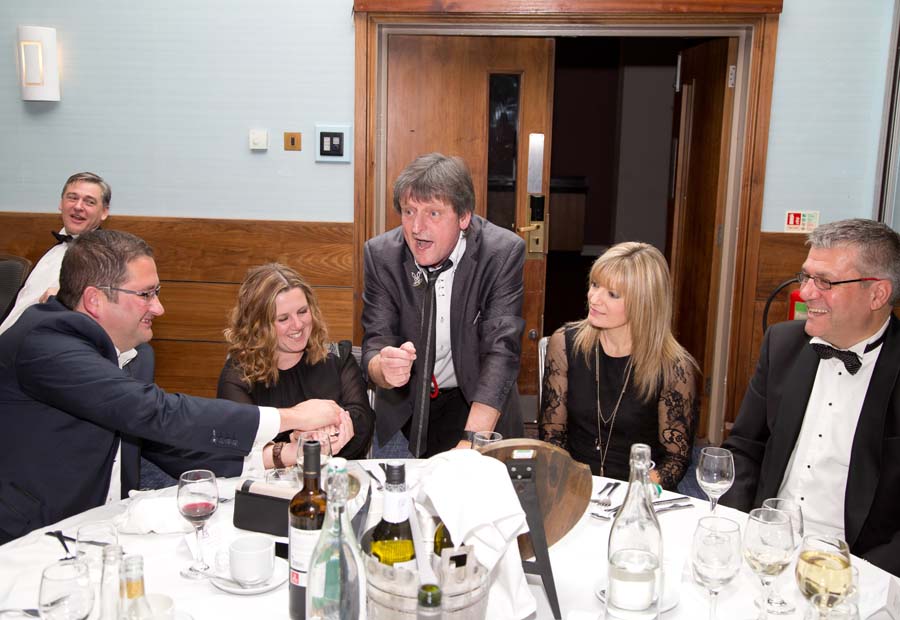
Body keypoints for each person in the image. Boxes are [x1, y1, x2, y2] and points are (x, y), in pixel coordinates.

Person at [0, 230, 343, 544]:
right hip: (33, 537)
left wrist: (282, 455)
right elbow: (158, 412)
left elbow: (165, 443)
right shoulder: (44, 343)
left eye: (157, 292)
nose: (159, 308)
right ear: (95, 300)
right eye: (146, 295)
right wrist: (290, 417)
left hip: (105, 529)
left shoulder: (136, 356)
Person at [722, 218, 900, 576]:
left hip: (859, 566)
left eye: (825, 282)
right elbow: (745, 448)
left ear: (877, 294)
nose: (805, 293)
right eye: (806, 277)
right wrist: (738, 529)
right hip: (766, 546)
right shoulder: (782, 344)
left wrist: (864, 576)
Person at [362, 153, 526, 457]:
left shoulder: (501, 253)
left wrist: (473, 441)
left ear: (463, 217)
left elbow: (501, 353)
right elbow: (375, 342)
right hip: (406, 409)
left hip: (475, 404)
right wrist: (383, 368)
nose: (417, 227)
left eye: (433, 213)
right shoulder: (381, 255)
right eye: (409, 211)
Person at [539, 242, 698, 489]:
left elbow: (675, 459)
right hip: (574, 486)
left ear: (643, 303)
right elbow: (552, 438)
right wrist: (575, 487)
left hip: (638, 491)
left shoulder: (674, 367)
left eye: (612, 294)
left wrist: (635, 493)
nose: (594, 298)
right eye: (595, 285)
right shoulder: (565, 344)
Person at [217, 263, 374, 461]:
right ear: (258, 325)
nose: (298, 324)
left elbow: (362, 424)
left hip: (336, 475)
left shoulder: (338, 358)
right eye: (283, 318)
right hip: (267, 480)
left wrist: (318, 434)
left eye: (302, 311)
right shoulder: (238, 375)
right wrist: (298, 439)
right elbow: (238, 445)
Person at [0, 172, 110, 334]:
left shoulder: (106, 259)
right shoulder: (55, 249)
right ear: (61, 203)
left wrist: (68, 298)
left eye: (89, 202)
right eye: (72, 198)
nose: (78, 206)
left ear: (104, 212)